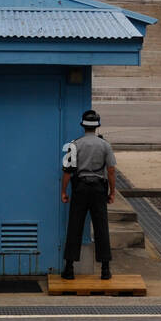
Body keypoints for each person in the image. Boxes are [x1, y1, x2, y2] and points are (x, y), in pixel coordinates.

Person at [60, 109, 116, 280]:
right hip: (99, 189)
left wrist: (64, 191)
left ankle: (69, 269)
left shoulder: (74, 145)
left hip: (80, 189)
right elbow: (111, 171)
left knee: (75, 226)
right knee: (101, 227)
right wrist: (112, 192)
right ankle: (105, 270)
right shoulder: (105, 145)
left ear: (83, 126)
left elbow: (67, 172)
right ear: (97, 126)